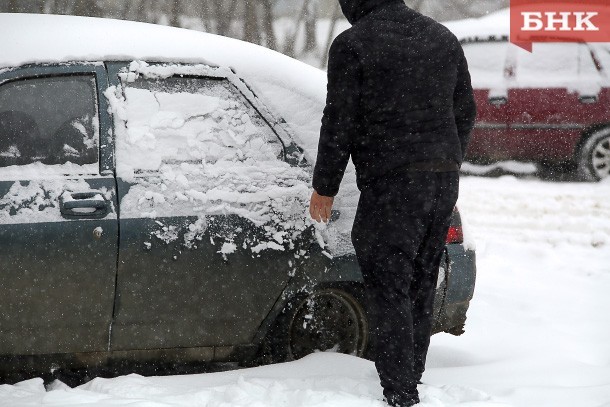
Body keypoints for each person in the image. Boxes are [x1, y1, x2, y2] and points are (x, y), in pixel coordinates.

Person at [308, 0, 477, 406]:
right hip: (441, 178)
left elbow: (339, 120)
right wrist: (447, 159)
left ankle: (400, 390)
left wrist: (324, 187)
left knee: (389, 283)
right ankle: (411, 373)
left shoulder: (354, 44)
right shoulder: (441, 36)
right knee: (421, 277)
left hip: (393, 182)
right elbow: (466, 111)